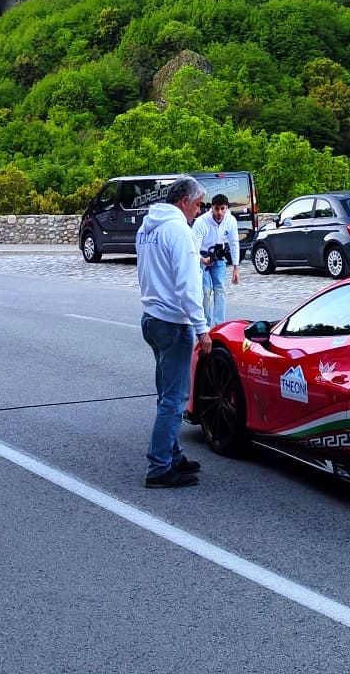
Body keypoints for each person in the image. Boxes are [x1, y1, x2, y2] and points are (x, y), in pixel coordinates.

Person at [136, 176, 211, 488]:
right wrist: (202, 329)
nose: (199, 210)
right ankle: (159, 466)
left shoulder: (147, 226)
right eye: (197, 204)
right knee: (175, 398)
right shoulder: (179, 230)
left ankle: (173, 453)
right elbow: (187, 284)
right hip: (172, 322)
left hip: (151, 318)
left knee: (166, 393)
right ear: (184, 202)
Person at [193, 192, 241, 325]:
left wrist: (236, 268)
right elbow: (193, 249)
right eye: (216, 209)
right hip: (203, 255)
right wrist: (203, 260)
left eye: (222, 209)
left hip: (218, 255)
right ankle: (205, 324)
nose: (219, 212)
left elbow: (234, 243)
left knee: (220, 289)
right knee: (206, 291)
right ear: (212, 208)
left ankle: (219, 324)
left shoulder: (230, 221)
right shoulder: (201, 222)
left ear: (227, 208)